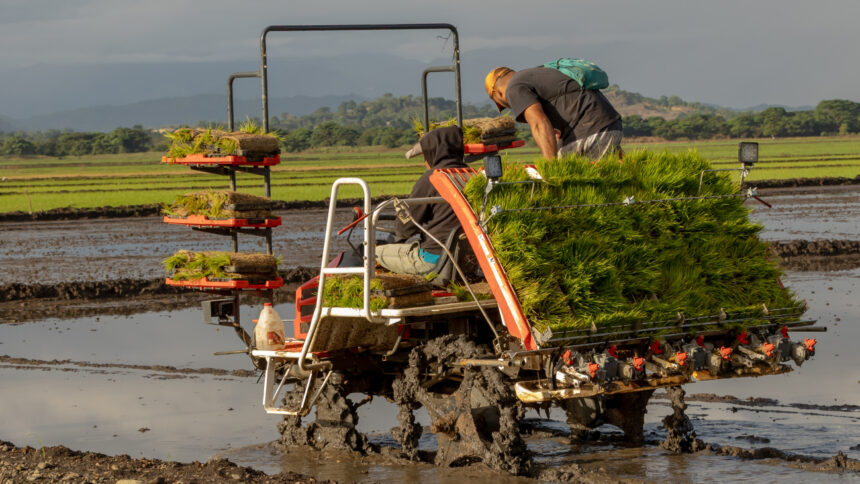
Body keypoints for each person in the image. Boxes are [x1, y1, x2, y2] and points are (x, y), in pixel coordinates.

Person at [374, 126, 466, 275]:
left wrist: (401, 223)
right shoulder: (470, 176)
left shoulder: (431, 179)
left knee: (373, 253)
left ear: (433, 154)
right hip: (467, 260)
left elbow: (404, 230)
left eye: (426, 156)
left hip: (435, 261)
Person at [485, 65, 622, 161]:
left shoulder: (513, 88)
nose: (508, 105)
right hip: (608, 125)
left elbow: (539, 124)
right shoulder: (539, 75)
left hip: (589, 130)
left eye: (502, 104)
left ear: (497, 93)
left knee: (566, 181)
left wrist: (551, 168)